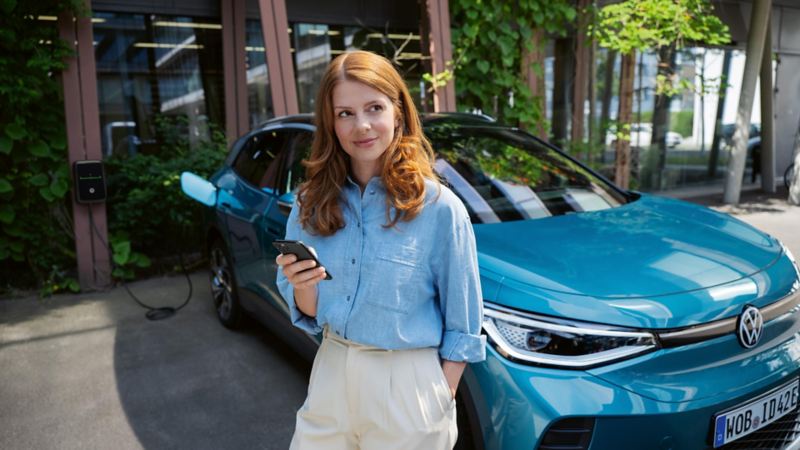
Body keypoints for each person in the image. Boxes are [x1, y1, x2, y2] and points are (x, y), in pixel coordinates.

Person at [275, 50, 485, 450]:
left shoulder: (440, 208)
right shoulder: (311, 202)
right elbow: (311, 313)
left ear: (398, 113)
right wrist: (302, 286)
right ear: (331, 123)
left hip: (407, 384)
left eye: (374, 107)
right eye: (346, 113)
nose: (363, 126)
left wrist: (441, 395)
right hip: (331, 370)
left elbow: (464, 322)